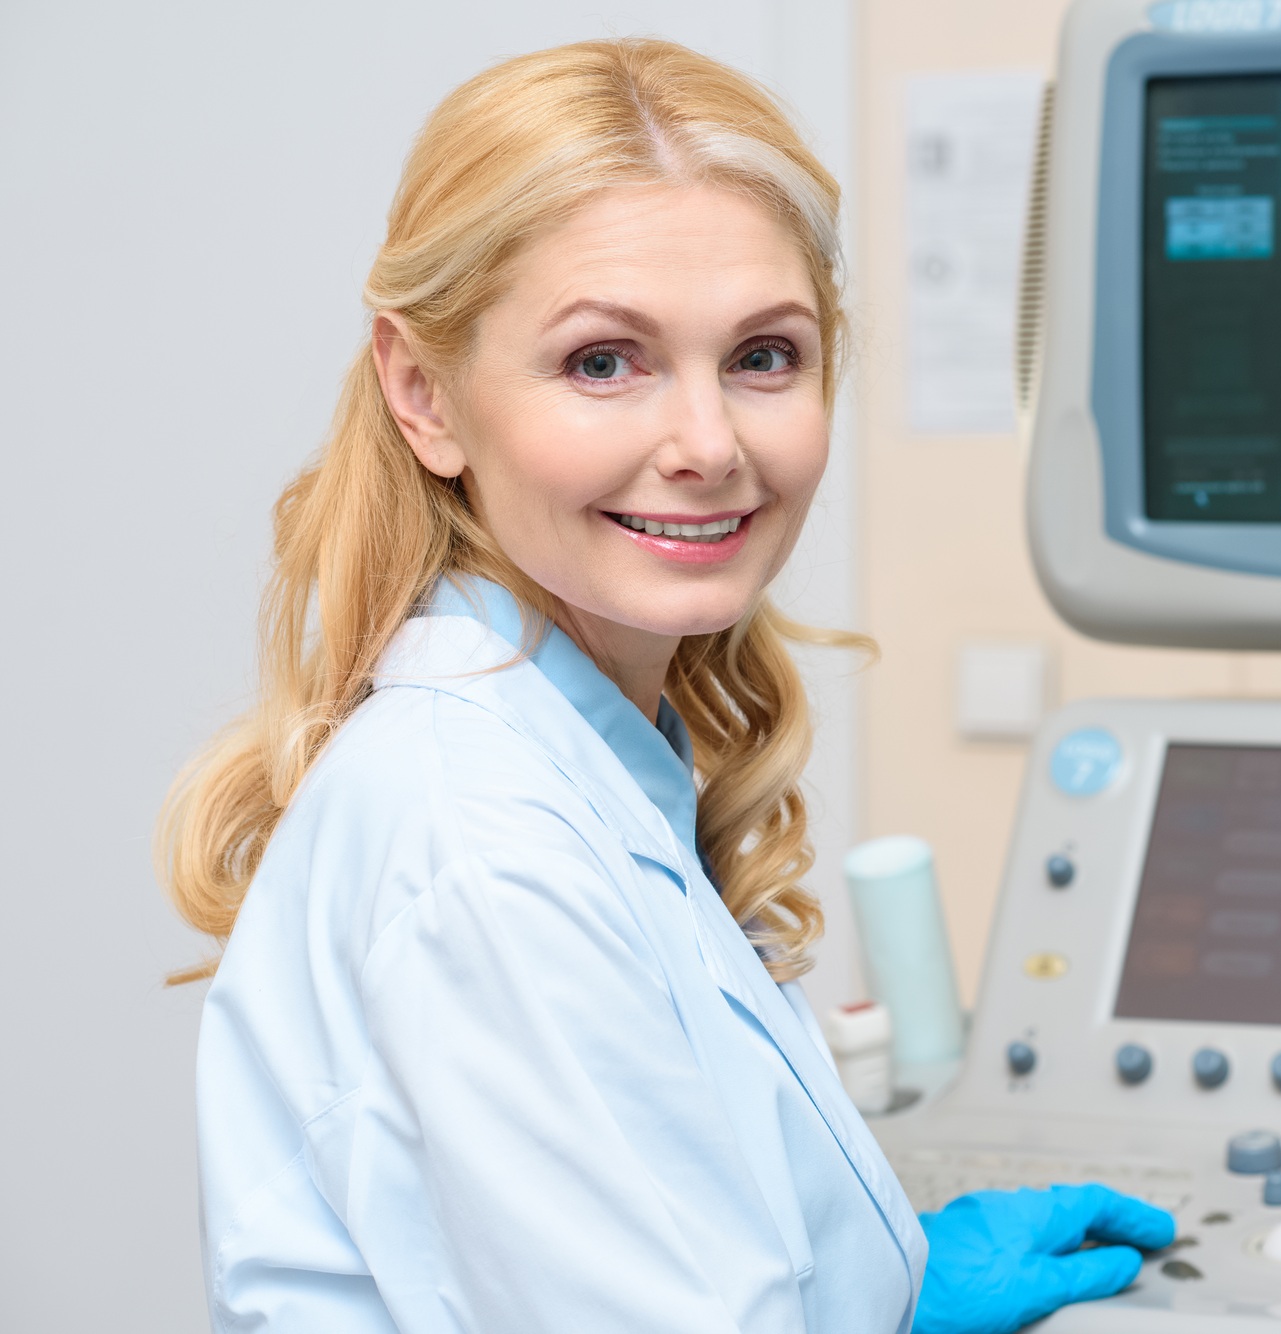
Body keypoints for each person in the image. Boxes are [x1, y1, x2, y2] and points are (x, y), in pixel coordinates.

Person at [158, 38, 1172, 1334]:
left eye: (763, 356)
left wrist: (876, 1277)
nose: (707, 444)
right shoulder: (486, 847)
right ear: (425, 393)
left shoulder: (580, 748)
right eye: (603, 362)